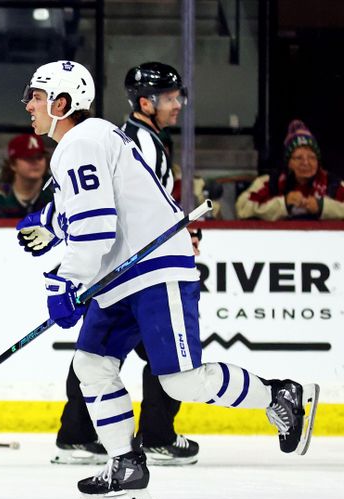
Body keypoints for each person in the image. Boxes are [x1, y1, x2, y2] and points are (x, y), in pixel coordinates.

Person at [17, 60, 319, 499]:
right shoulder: (88, 140)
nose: (29, 105)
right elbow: (96, 212)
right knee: (92, 366)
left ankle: (281, 396)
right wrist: (56, 229)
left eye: (37, 97)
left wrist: (63, 283)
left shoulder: (81, 142)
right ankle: (126, 465)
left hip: (154, 272)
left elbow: (97, 228)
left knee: (181, 382)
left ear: (62, 104)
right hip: (118, 276)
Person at [51, 62, 200, 468]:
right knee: (140, 356)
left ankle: (79, 434)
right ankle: (154, 436)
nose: (178, 105)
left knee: (98, 353)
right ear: (146, 102)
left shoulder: (139, 138)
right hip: (135, 268)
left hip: (127, 264)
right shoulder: (138, 142)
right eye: (170, 98)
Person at [235, 120, 344, 220]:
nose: (306, 163)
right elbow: (242, 208)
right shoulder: (271, 182)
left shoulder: (332, 184)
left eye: (311, 157)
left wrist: (323, 207)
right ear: (289, 163)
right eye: (299, 158)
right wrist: (284, 204)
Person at [0, 133, 53, 219]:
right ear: (12, 164)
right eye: (28, 158)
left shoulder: (57, 192)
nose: (35, 162)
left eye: (39, 157)